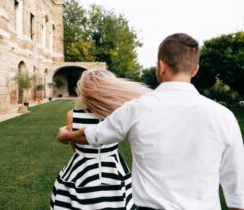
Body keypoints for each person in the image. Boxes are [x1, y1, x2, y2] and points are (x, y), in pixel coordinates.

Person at [57, 33, 244, 210]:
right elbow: (236, 186)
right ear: (195, 70)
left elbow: (94, 135)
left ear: (161, 66)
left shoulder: (136, 109)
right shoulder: (224, 116)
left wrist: (67, 134)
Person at [50, 69, 150, 210]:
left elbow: (74, 148)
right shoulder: (118, 113)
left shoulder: (72, 115)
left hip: (81, 167)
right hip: (114, 168)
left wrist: (66, 135)